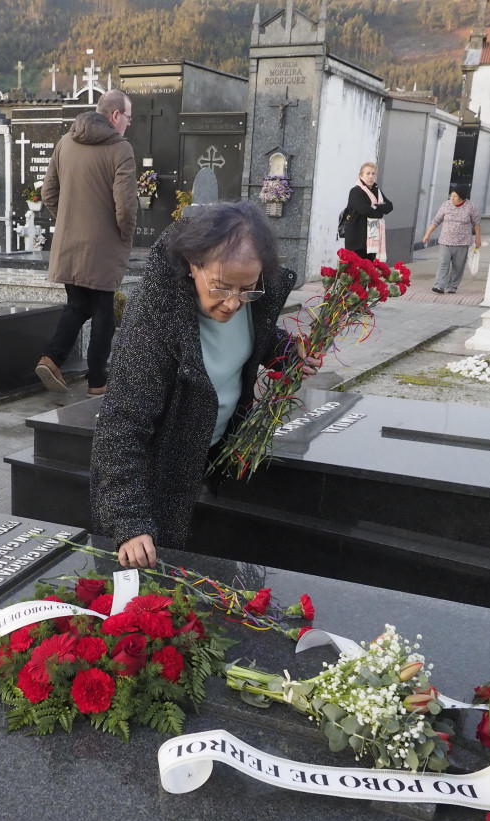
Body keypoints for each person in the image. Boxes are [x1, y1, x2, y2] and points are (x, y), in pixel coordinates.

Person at [91, 201, 319, 569]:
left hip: (211, 459)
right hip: (156, 478)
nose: (232, 303)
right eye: (221, 287)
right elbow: (120, 427)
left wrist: (287, 352)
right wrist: (129, 522)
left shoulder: (248, 298)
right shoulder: (154, 323)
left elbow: (251, 338)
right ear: (193, 264)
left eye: (247, 289)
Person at [35, 89, 137, 398]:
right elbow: (126, 207)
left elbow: (47, 193)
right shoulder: (121, 149)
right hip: (103, 247)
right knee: (104, 310)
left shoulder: (66, 142)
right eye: (128, 118)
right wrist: (124, 235)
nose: (128, 125)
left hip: (69, 244)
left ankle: (52, 358)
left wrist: (68, 221)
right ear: (115, 115)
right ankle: (97, 381)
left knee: (78, 305)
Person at [423, 186, 482, 295]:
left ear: (462, 198)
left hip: (462, 241)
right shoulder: (446, 204)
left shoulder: (470, 207)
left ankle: (452, 286)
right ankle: (439, 285)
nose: (452, 198)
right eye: (451, 195)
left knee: (458, 266)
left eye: (455, 196)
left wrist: (478, 239)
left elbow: (476, 223)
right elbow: (437, 220)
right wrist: (427, 234)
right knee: (443, 263)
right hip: (445, 240)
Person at [343, 162, 393, 260]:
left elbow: (389, 206)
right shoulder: (355, 191)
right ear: (361, 175)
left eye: (373, 173)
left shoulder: (377, 191)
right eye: (368, 173)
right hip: (357, 239)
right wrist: (380, 213)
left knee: (369, 271)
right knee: (355, 271)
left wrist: (375, 207)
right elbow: (364, 210)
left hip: (371, 240)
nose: (371, 176)